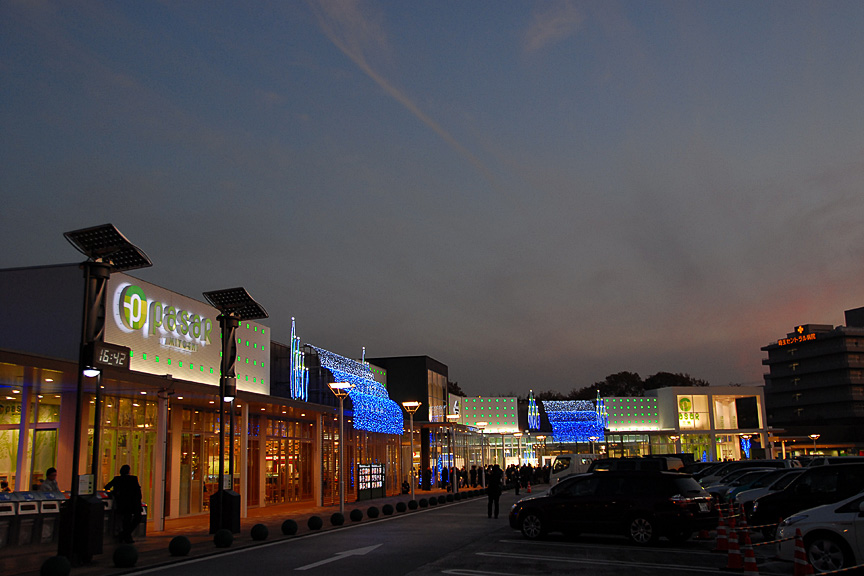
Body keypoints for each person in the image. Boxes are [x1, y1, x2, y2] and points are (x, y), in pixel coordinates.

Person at [105, 464, 143, 543]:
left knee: (126, 520)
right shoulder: (133, 479)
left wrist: (114, 493)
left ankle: (124, 535)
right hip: (133, 504)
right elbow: (138, 493)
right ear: (128, 471)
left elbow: (107, 487)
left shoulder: (117, 479)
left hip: (122, 504)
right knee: (136, 519)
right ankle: (125, 535)